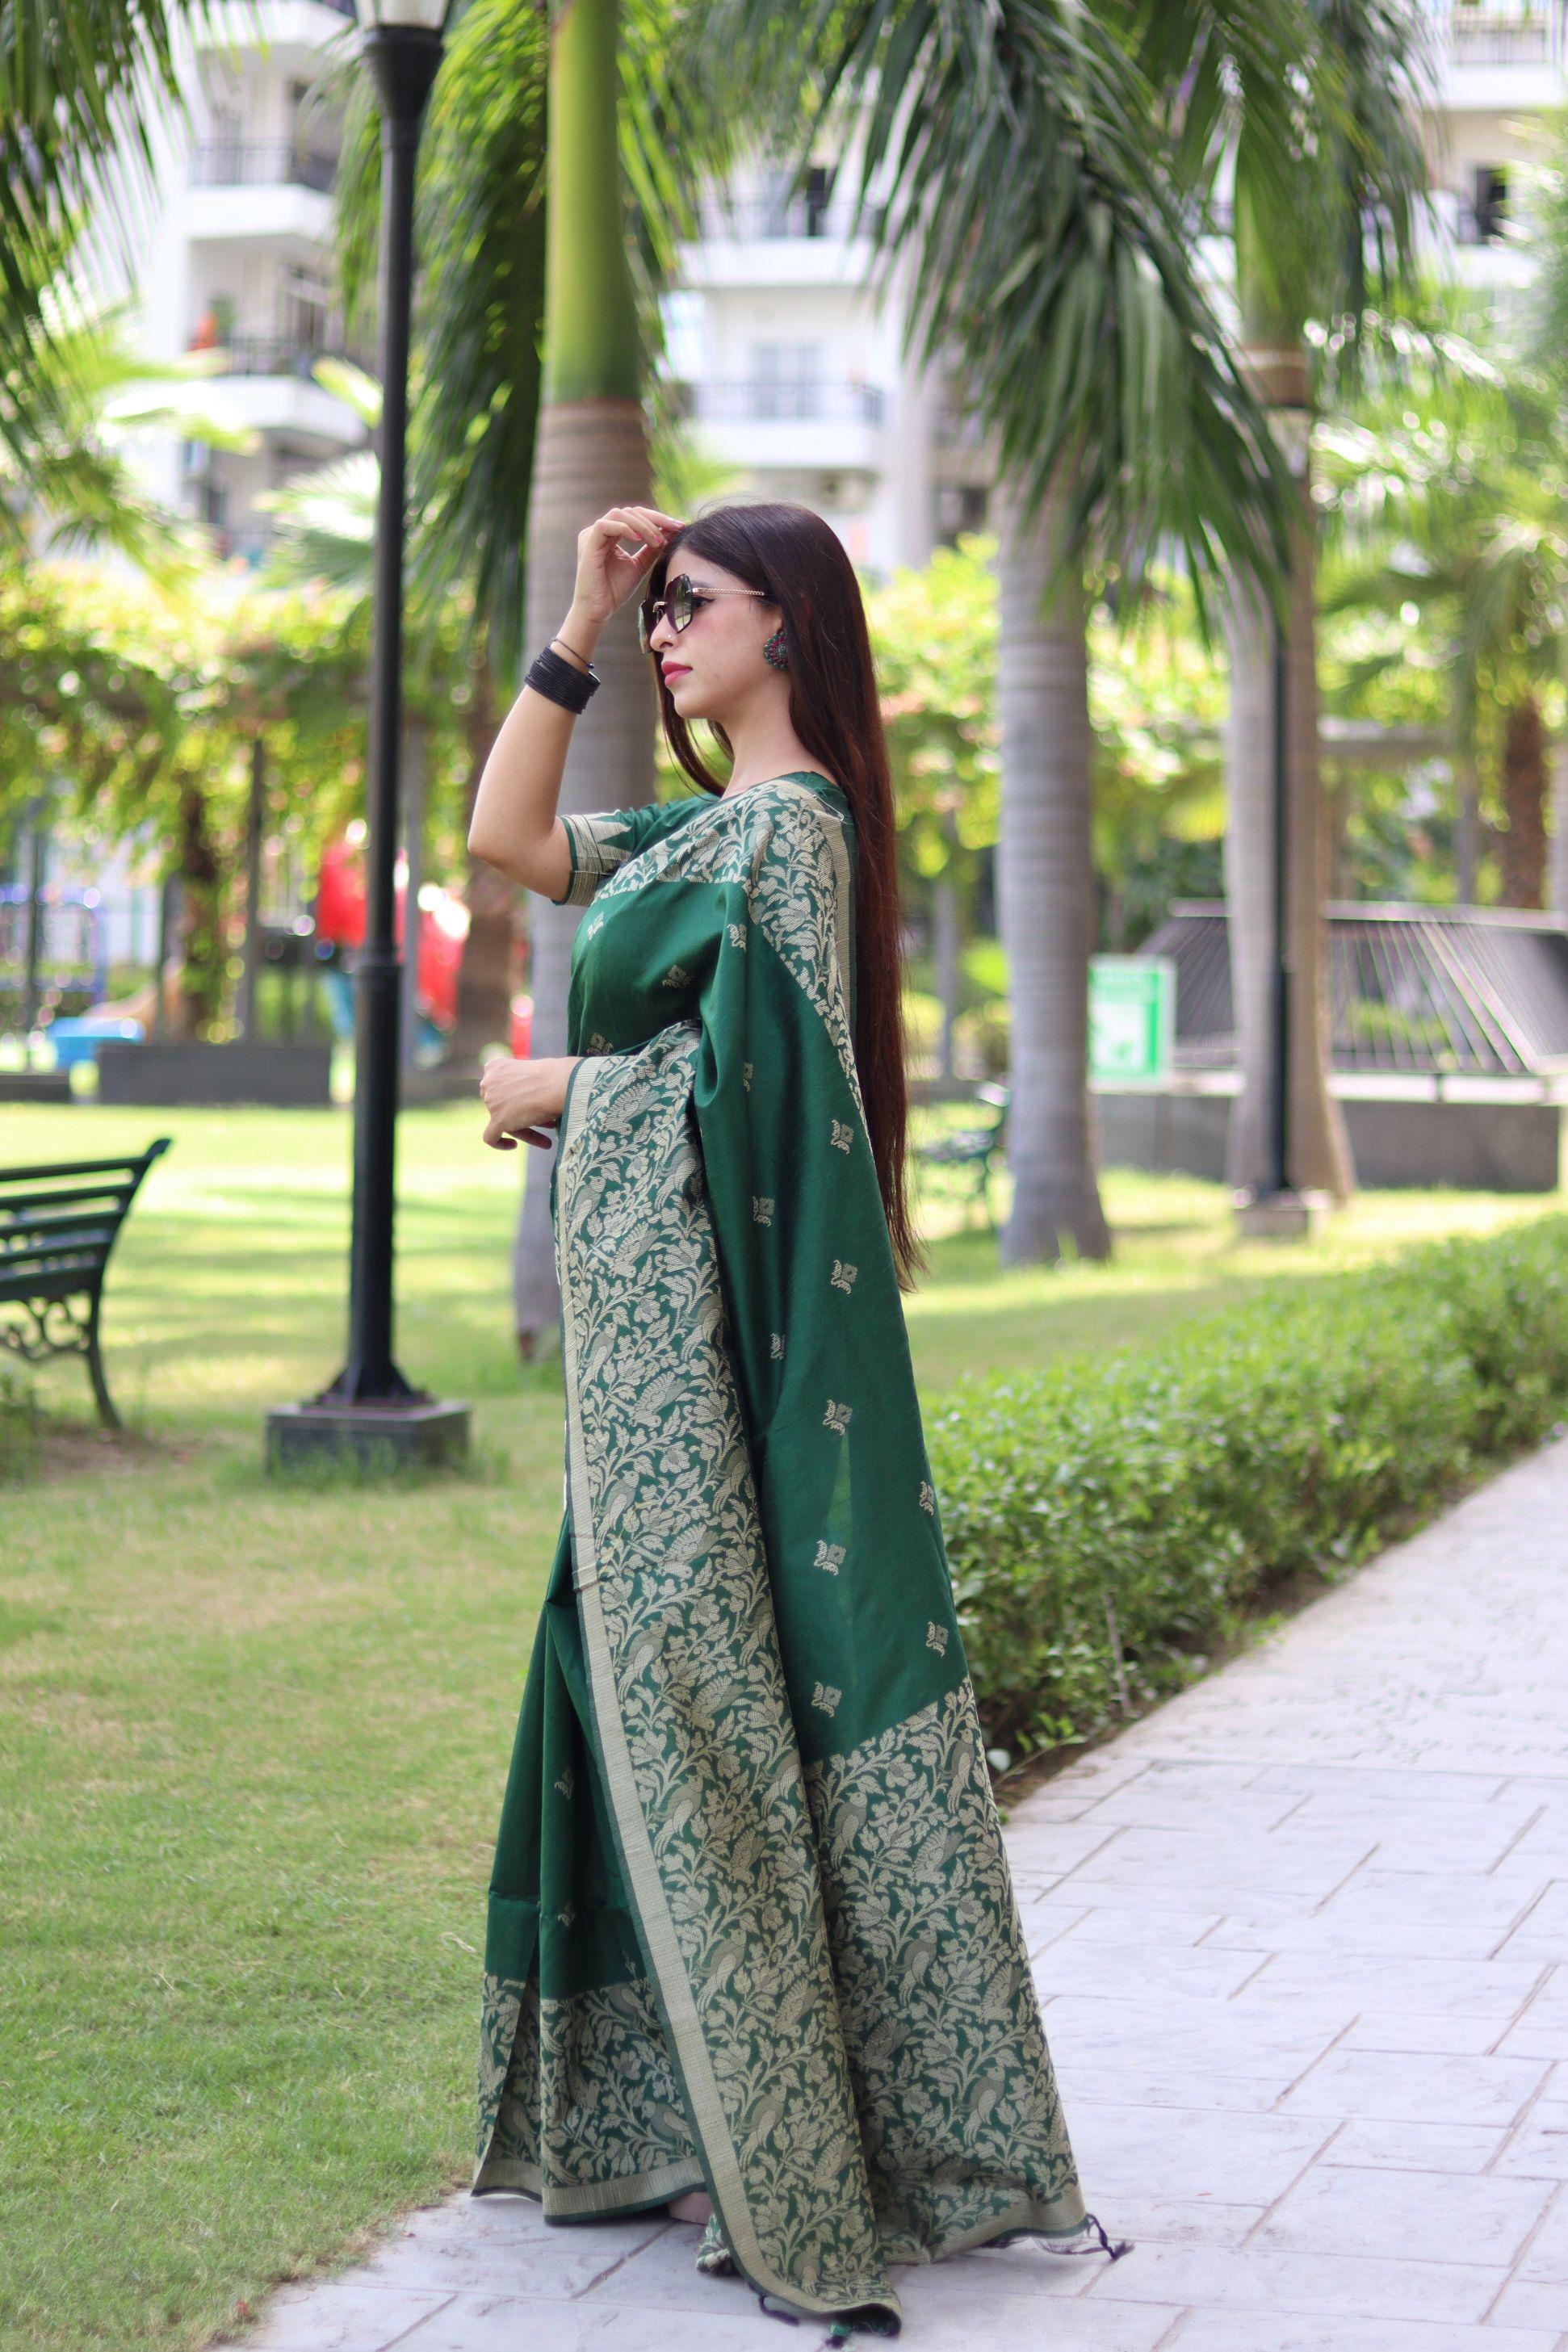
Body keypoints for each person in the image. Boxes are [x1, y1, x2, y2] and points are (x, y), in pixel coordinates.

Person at [464, 498, 1122, 2337]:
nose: (667, 632)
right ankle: (688, 2114)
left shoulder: (795, 830)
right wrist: (578, 612)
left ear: (789, 621)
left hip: (719, 1369)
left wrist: (557, 1085)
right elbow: (505, 837)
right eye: (656, 604)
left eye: (686, 604)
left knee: (702, 1702)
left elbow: (760, 1104)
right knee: (648, 1683)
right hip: (656, 1353)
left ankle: (784, 2151)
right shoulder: (702, 823)